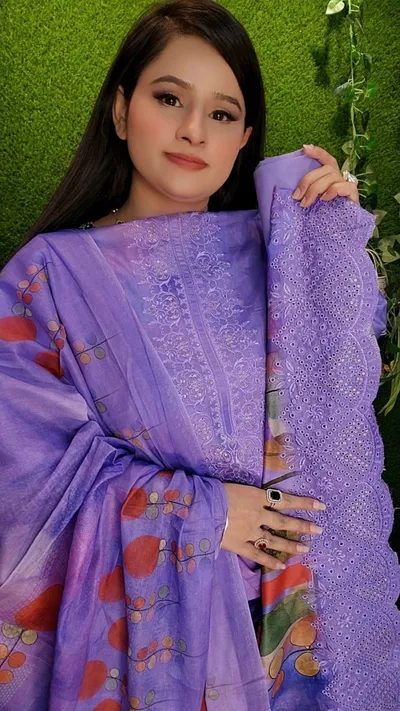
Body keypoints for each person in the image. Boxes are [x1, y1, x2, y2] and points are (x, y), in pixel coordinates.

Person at [0, 1, 398, 709]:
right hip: (149, 657)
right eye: (168, 99)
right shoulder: (46, 278)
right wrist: (207, 512)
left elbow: (340, 409)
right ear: (121, 110)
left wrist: (332, 245)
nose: (193, 130)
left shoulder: (280, 260)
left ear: (244, 139)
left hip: (297, 646)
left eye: (221, 113)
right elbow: (23, 481)